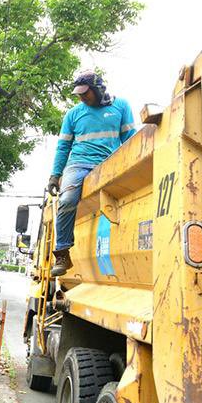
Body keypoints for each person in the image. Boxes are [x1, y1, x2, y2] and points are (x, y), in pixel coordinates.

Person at [47, 70, 137, 276]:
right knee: (67, 200)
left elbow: (130, 139)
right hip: (78, 164)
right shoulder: (73, 114)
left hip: (110, 163)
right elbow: (63, 147)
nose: (81, 97)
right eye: (78, 94)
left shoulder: (120, 106)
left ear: (98, 89)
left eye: (85, 93)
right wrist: (55, 175)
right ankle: (62, 253)